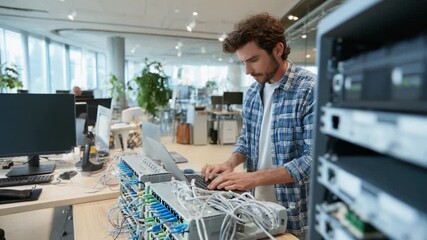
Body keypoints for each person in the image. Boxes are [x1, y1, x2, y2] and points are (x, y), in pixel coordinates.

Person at [201, 13, 317, 239]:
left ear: (278, 50)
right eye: (243, 62)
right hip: (256, 209)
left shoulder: (311, 90)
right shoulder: (254, 91)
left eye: (253, 60)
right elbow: (248, 139)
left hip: (295, 216)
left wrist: (253, 178)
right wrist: (229, 163)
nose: (247, 71)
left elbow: (312, 160)